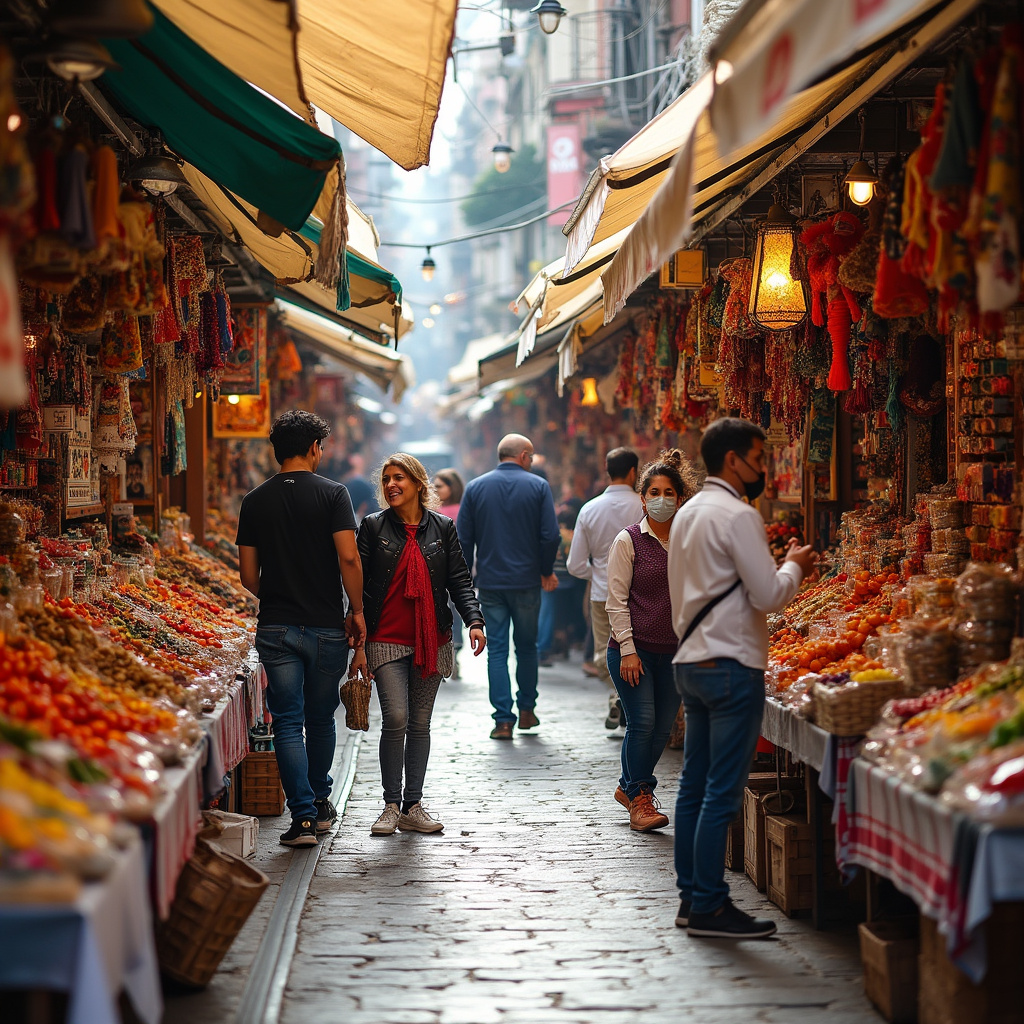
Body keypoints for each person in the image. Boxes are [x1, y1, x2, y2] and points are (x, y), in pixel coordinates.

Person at [668, 418, 818, 939]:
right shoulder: (738, 515)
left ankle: (692, 897)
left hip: (693, 661)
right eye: (757, 458)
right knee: (721, 790)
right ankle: (709, 905)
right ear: (732, 460)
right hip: (730, 664)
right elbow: (769, 595)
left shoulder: (687, 514)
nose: (762, 468)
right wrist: (794, 565)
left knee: (694, 785)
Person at [236, 411, 365, 848]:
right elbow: (349, 558)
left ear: (277, 450)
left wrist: (277, 594)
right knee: (320, 718)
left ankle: (303, 819)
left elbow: (248, 576)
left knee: (288, 722)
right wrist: (356, 610)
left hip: (277, 627)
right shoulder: (334, 494)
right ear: (314, 448)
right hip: (327, 627)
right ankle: (322, 803)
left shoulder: (254, 500)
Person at [349, 455, 485, 835]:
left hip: (431, 640)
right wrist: (357, 638)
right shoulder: (373, 527)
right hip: (385, 639)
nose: (391, 485)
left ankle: (412, 805)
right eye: (386, 479)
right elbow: (357, 585)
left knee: (420, 723)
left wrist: (474, 620)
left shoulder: (443, 527)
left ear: (419, 484)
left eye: (400, 478)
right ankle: (390, 805)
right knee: (395, 717)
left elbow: (459, 580)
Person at [606, 449, 697, 832]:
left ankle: (629, 787)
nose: (661, 499)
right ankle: (640, 797)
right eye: (654, 492)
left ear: (680, 497)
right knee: (642, 723)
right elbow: (615, 600)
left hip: (674, 652)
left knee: (662, 729)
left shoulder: (691, 541)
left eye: (669, 492)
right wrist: (628, 650)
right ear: (642, 499)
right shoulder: (627, 541)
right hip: (634, 651)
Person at [458, 433, 560, 740]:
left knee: (498, 651)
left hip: (490, 583)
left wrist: (466, 580)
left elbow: (463, 539)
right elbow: (550, 535)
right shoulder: (538, 486)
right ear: (524, 456)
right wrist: (545, 570)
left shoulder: (475, 487)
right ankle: (527, 710)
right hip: (527, 581)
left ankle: (503, 720)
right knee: (527, 647)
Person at [566, 448, 643, 728]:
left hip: (602, 594)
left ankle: (617, 695)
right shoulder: (642, 505)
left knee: (604, 652)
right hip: (640, 592)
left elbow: (575, 565)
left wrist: (599, 573)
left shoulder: (589, 509)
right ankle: (627, 700)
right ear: (634, 472)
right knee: (638, 650)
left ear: (607, 471)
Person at [433, 468, 466, 679]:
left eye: (440, 486)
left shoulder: (462, 511)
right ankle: (442, 656)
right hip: (434, 570)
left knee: (455, 611)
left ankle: (453, 653)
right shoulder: (431, 510)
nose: (435, 490)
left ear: (452, 488)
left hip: (454, 570)